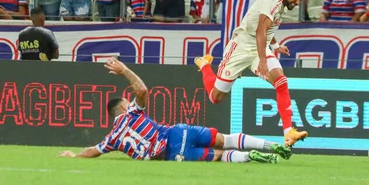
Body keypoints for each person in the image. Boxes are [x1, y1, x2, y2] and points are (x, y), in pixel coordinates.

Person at [59, 57, 291, 163]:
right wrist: (125, 71)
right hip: (177, 132)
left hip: (171, 154)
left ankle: (250, 157)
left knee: (219, 157)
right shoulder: (130, 112)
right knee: (224, 139)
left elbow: (94, 151)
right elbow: (142, 90)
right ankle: (270, 145)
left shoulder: (112, 139)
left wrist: (75, 155)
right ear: (122, 106)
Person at [193, 0, 309, 147]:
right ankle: (204, 65)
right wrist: (263, 60)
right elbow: (261, 30)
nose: (298, 3)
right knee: (216, 97)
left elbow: (268, 28)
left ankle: (288, 132)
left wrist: (276, 46)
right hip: (241, 47)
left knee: (281, 81)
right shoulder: (273, 0)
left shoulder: (282, 3)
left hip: (259, 48)